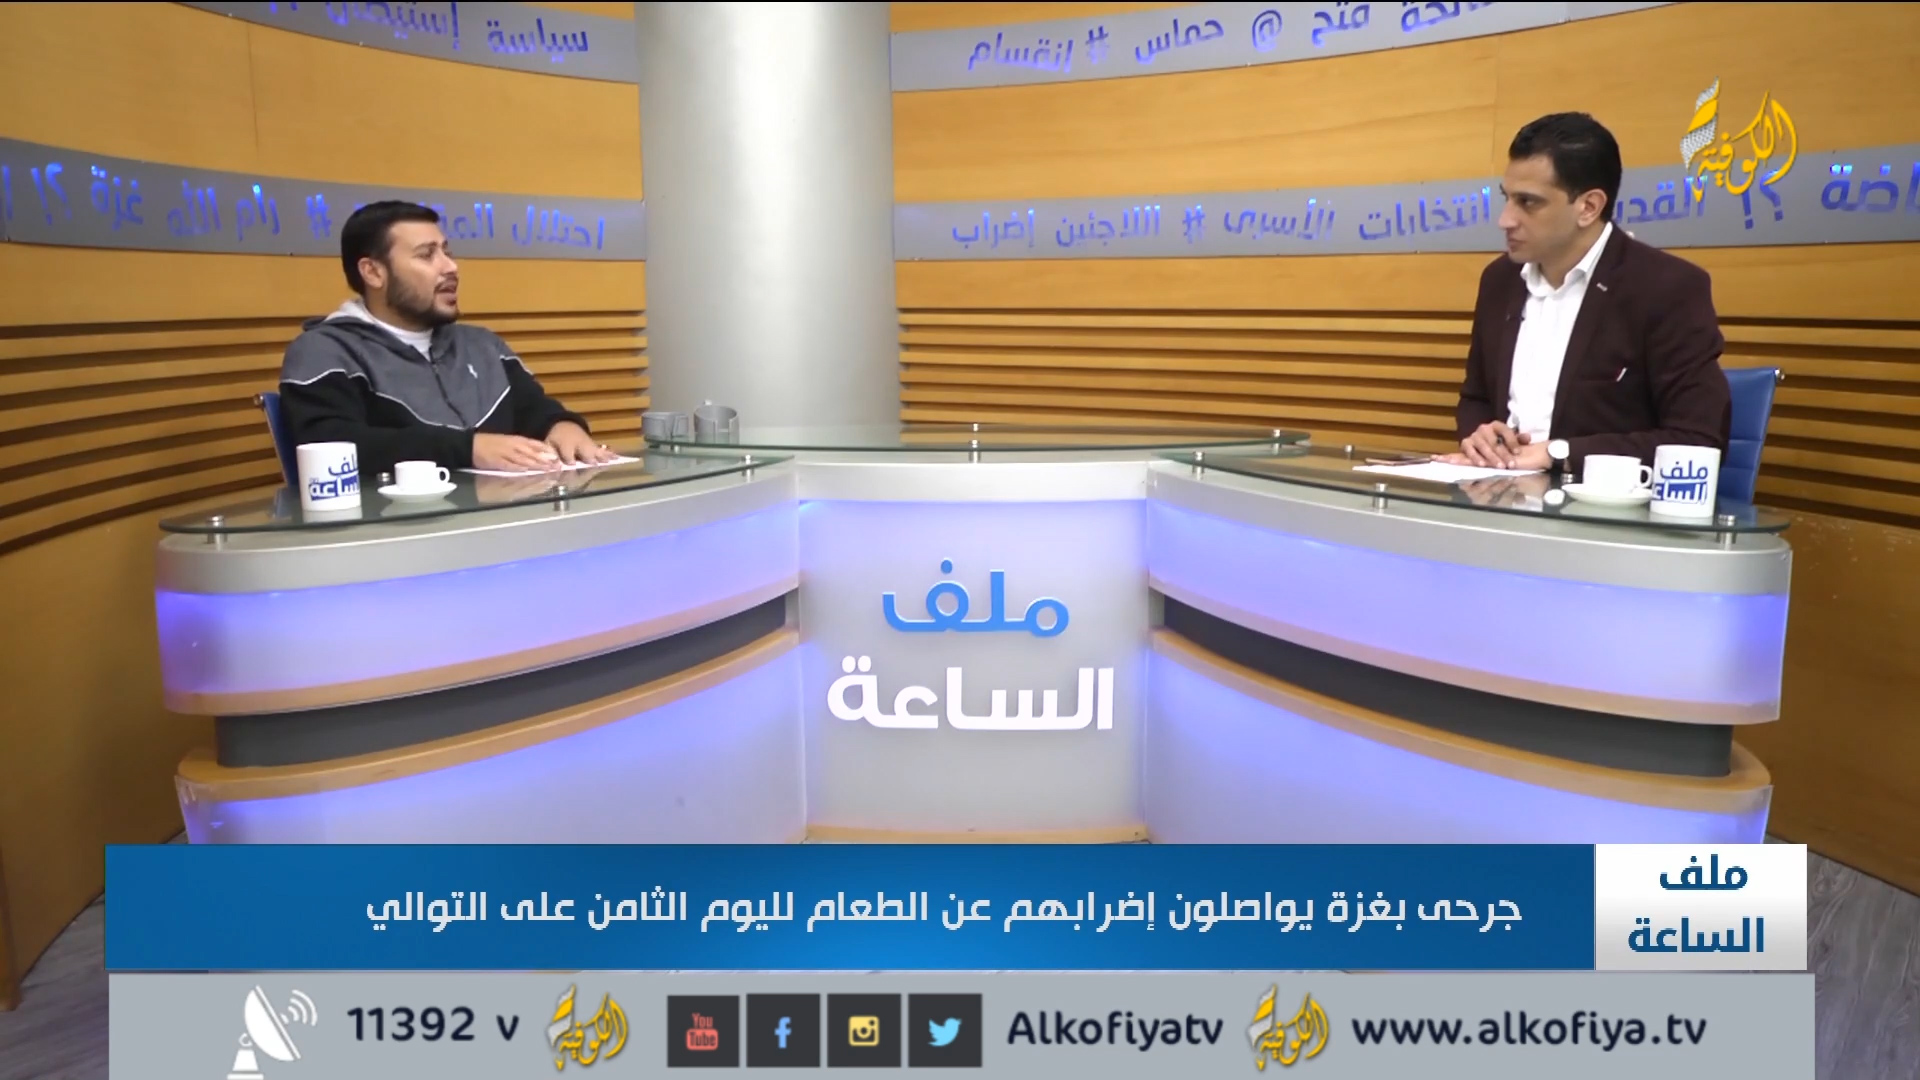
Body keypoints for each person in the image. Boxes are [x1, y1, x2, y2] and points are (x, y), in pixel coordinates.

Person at [1450, 113, 1730, 476]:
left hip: (1603, 502)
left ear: (1588, 207)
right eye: (1507, 198)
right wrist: (1481, 437)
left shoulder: (1666, 288)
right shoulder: (1499, 281)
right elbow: (1476, 398)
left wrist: (1559, 453)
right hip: (1499, 493)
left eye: (1528, 202)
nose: (1505, 219)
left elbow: (1697, 440)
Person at [278, 201, 620, 477]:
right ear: (373, 272)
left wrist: (562, 425)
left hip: (506, 519)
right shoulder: (324, 352)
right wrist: (468, 449)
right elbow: (333, 445)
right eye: (427, 255)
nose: (450, 267)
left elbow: (532, 408)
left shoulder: (483, 346)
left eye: (447, 252)